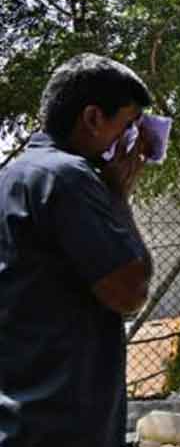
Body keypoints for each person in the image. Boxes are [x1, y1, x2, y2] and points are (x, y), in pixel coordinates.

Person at [0, 54, 156, 446]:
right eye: (129, 125)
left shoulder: (15, 176)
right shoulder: (68, 177)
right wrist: (119, 198)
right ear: (93, 119)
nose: (132, 141)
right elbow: (129, 293)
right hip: (61, 424)